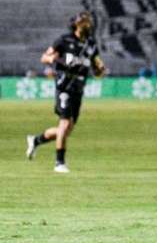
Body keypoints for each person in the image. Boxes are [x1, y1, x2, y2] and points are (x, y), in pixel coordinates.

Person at [26, 11, 106, 173]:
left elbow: (97, 69)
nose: (88, 25)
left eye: (89, 22)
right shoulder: (64, 40)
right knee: (63, 123)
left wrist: (100, 70)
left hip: (78, 89)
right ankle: (59, 163)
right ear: (76, 24)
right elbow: (45, 57)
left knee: (66, 130)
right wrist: (57, 60)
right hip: (65, 87)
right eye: (85, 22)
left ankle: (35, 140)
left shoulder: (91, 45)